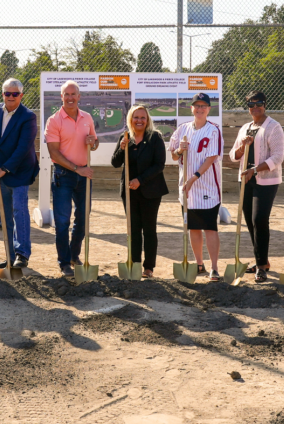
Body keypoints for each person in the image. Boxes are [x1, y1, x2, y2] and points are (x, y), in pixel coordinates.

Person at [0, 78, 39, 270]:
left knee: (19, 210)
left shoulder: (28, 116)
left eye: (15, 94)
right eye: (7, 93)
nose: (10, 97)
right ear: (2, 94)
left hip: (19, 171)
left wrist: (4, 170)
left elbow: (23, 148)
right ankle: (10, 256)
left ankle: (22, 254)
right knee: (5, 214)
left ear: (21, 95)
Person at [44, 81, 98, 278]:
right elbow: (54, 153)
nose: (70, 97)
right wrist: (77, 169)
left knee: (83, 219)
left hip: (84, 176)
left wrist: (93, 142)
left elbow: (95, 143)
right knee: (62, 221)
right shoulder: (54, 121)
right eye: (66, 94)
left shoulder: (87, 117)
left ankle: (74, 255)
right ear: (61, 97)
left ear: (79, 96)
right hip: (63, 176)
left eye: (73, 94)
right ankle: (64, 262)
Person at [230, 91, 284, 283]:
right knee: (250, 221)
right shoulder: (245, 128)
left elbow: (277, 157)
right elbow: (233, 156)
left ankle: (261, 267)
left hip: (266, 180)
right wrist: (242, 147)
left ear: (265, 104)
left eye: (258, 103)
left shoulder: (273, 127)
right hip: (245, 179)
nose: (254, 108)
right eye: (250, 105)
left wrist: (255, 169)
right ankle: (262, 260)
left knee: (259, 219)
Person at [170, 93, 223, 280]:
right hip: (186, 189)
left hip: (207, 188)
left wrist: (194, 178)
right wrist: (179, 149)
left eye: (204, 106)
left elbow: (211, 158)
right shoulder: (182, 129)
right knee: (193, 228)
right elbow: (174, 156)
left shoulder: (213, 130)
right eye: (196, 106)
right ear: (191, 108)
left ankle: (214, 267)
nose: (200, 109)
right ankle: (199, 264)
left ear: (209, 109)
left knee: (210, 228)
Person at [111, 105, 168, 278]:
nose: (139, 121)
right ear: (130, 119)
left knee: (149, 229)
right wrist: (122, 148)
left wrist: (140, 180)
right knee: (133, 229)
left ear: (148, 120)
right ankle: (134, 264)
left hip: (150, 191)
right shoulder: (125, 137)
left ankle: (148, 267)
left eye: (143, 117)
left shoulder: (155, 138)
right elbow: (115, 163)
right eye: (136, 117)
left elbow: (159, 165)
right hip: (129, 192)